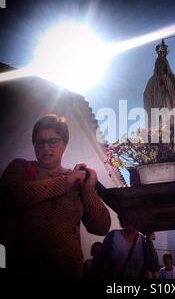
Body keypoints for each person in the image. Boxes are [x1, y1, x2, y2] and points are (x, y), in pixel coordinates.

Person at [0, 114, 111, 278]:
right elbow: (8, 196)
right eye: (40, 142)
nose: (46, 148)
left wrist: (88, 189)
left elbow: (101, 227)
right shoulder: (21, 168)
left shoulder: (77, 180)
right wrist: (65, 182)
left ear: (64, 144)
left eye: (53, 141)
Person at [90, 215, 159, 279]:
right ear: (122, 219)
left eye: (133, 217)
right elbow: (99, 264)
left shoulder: (144, 241)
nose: (130, 220)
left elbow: (153, 266)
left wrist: (149, 240)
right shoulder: (112, 235)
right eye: (127, 216)